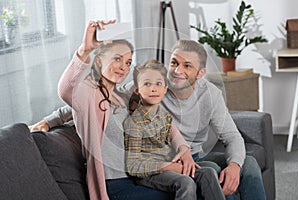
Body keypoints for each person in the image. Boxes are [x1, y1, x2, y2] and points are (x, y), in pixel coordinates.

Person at [30, 39, 266, 200]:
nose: (177, 71)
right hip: (156, 161)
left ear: (200, 73)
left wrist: (234, 165)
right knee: (211, 170)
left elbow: (230, 136)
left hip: (190, 155)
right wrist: (50, 121)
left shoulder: (209, 94)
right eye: (174, 62)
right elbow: (96, 99)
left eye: (187, 66)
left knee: (247, 166)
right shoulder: (148, 85)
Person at [54, 19, 200, 200]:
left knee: (195, 183)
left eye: (128, 62)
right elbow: (66, 91)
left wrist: (183, 148)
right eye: (117, 59)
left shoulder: (121, 97)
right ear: (99, 61)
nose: (124, 67)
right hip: (114, 183)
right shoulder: (89, 93)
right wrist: (85, 50)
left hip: (139, 175)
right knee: (185, 189)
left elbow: (164, 121)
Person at [124, 60, 225, 200]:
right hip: (150, 173)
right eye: (147, 84)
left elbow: (175, 137)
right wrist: (169, 167)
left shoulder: (164, 116)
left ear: (165, 88)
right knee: (186, 182)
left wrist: (183, 154)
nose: (153, 88)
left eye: (158, 84)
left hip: (171, 164)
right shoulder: (134, 123)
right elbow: (133, 166)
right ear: (137, 89)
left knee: (208, 172)